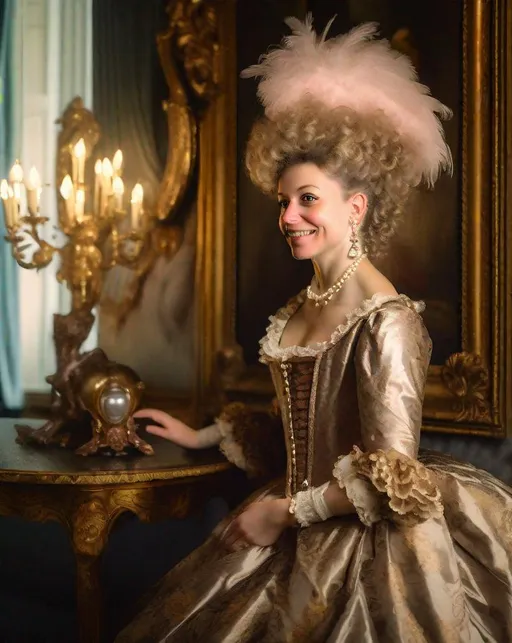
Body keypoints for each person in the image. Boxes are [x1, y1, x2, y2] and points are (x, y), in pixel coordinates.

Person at [116, 16, 512, 642]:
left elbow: (390, 473)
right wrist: (202, 433)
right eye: (283, 201)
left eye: (307, 199)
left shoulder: (389, 321)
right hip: (295, 513)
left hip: (365, 545)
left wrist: (282, 512)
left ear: (355, 207)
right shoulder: (303, 303)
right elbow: (308, 420)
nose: (289, 216)